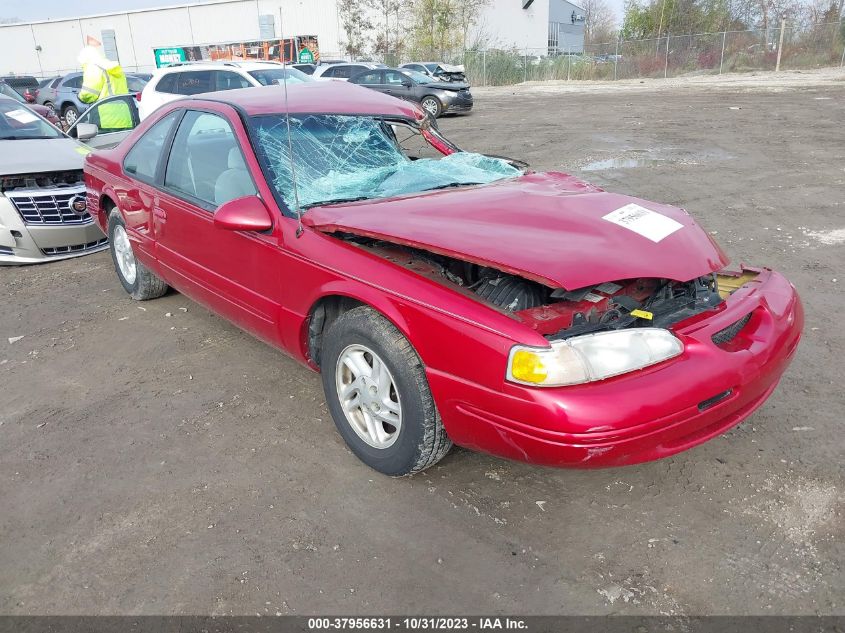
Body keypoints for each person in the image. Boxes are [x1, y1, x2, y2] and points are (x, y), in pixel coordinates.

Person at [77, 36, 133, 130]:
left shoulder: (93, 67)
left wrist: (80, 97)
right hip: (124, 117)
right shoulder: (111, 67)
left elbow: (88, 94)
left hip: (105, 117)